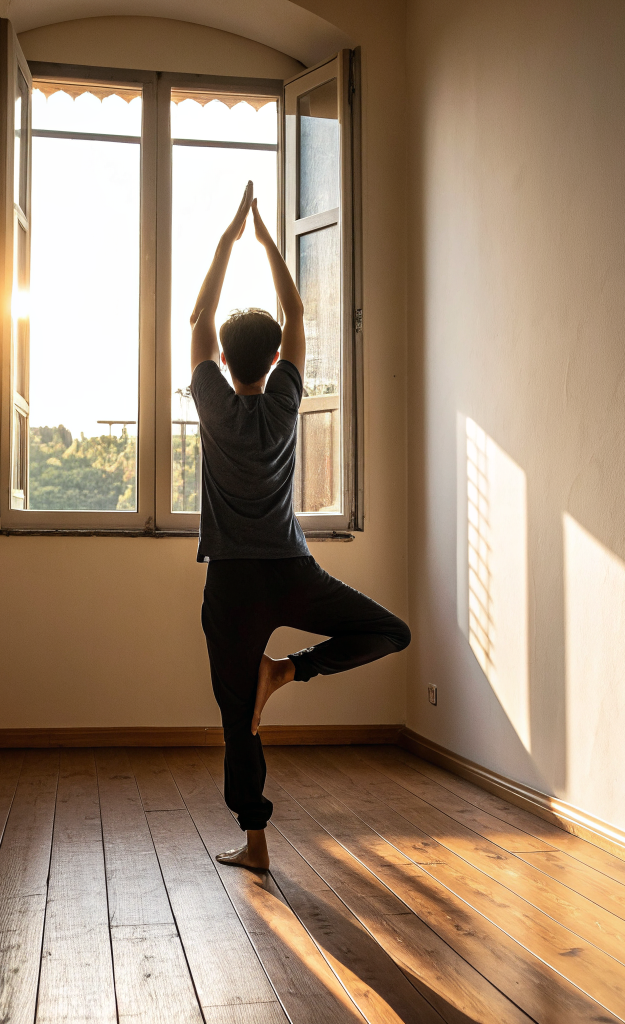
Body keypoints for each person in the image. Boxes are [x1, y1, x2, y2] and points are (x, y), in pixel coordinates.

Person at [189, 181, 411, 871]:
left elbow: (199, 314)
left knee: (237, 717)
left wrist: (227, 241)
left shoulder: (212, 403)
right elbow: (295, 310)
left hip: (233, 583)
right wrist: (266, 241)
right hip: (290, 571)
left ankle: (255, 842)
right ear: (275, 359)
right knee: (391, 632)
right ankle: (287, 673)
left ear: (224, 362)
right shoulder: (287, 400)